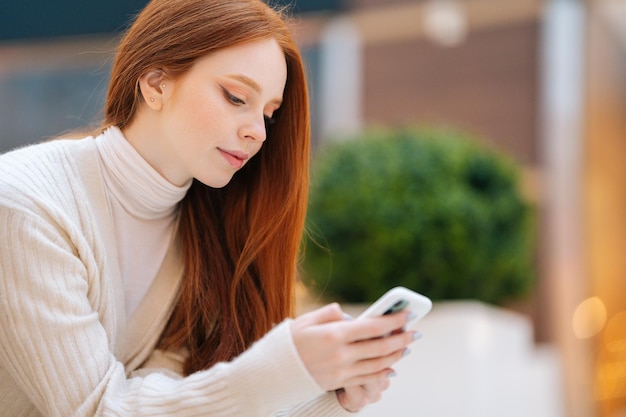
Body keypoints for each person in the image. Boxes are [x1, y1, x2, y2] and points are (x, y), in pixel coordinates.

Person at [0, 0, 419, 415]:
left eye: (269, 115)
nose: (257, 132)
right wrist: (283, 369)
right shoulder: (28, 205)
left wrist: (326, 397)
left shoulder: (208, 231)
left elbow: (176, 402)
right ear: (155, 83)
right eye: (236, 97)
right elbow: (99, 409)